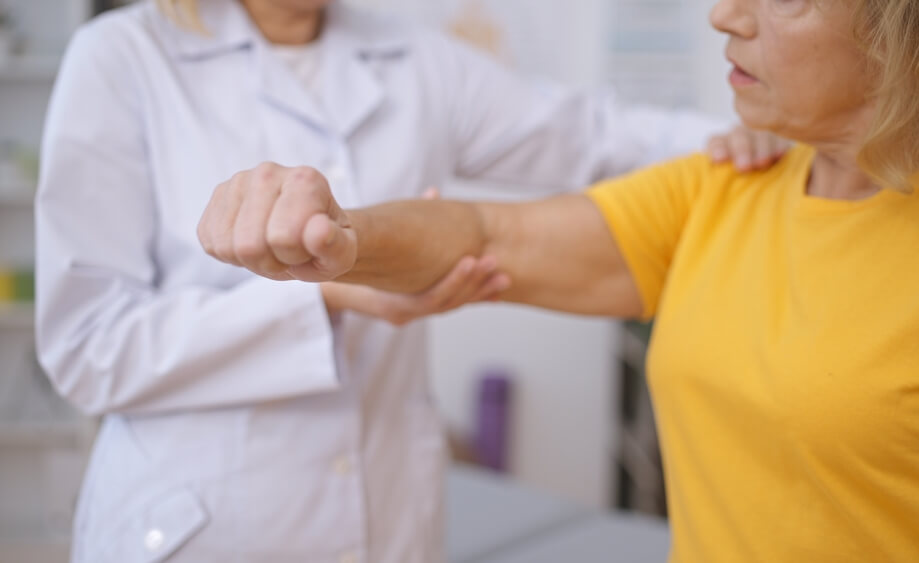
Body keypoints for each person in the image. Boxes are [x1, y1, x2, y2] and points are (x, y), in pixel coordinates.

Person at [199, 0, 919, 561]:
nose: (725, 13)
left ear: (918, 29)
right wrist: (345, 234)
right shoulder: (724, 188)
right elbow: (487, 234)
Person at [34, 0, 785, 560]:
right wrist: (326, 298)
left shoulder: (414, 58)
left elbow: (593, 135)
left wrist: (750, 139)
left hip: (387, 516)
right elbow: (86, 349)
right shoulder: (122, 57)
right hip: (202, 523)